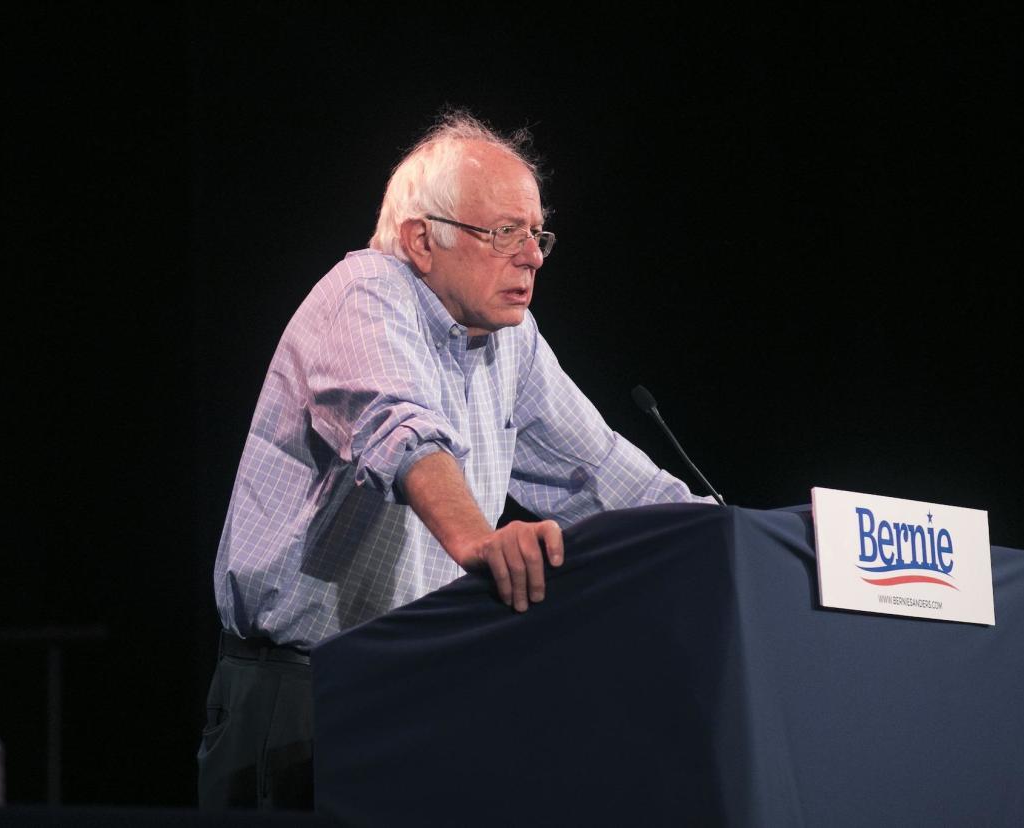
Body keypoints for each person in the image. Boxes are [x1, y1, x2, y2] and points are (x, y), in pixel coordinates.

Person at [197, 111, 709, 810]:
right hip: (299, 696)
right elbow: (400, 427)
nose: (530, 255)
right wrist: (476, 539)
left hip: (422, 681)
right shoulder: (364, 294)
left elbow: (604, 476)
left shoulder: (511, 340)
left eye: (536, 234)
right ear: (421, 241)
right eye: (503, 232)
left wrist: (734, 540)